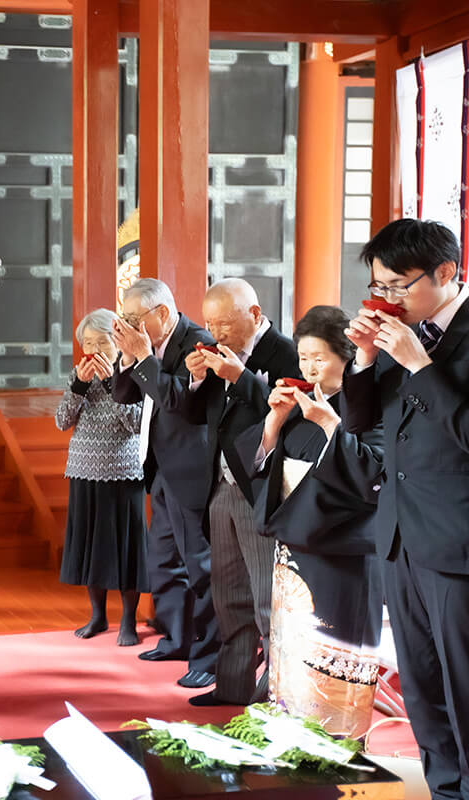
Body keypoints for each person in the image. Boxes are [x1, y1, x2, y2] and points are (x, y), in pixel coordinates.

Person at [335, 219, 469, 798]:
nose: (387, 297)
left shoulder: (428, 342)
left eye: (397, 285)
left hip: (457, 540)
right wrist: (364, 358)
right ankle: (444, 791)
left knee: (464, 687)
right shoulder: (402, 331)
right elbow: (360, 422)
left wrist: (421, 367)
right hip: (398, 536)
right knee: (422, 688)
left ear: (446, 272)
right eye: (379, 286)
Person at [236, 305, 384, 737]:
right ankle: (292, 736)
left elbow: (374, 475)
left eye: (320, 358)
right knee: (291, 647)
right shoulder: (300, 403)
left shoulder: (368, 406)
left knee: (333, 651)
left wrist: (333, 428)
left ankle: (337, 741)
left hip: (342, 551)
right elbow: (259, 465)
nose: (309, 368)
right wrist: (274, 420)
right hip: (294, 545)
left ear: (346, 357)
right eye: (303, 358)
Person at [173, 279, 301, 707]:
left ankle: (277, 692)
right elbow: (194, 416)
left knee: (266, 598)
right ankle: (232, 685)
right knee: (228, 595)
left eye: (224, 323)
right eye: (209, 324)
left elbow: (292, 415)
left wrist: (241, 378)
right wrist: (195, 380)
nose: (215, 333)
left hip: (260, 488)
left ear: (254, 313)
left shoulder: (285, 353)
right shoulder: (215, 351)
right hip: (221, 485)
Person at [111, 278, 220, 689]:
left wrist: (143, 356)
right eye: (125, 317)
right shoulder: (146, 343)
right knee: (163, 563)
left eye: (134, 317)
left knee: (201, 568)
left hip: (192, 472)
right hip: (159, 469)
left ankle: (210, 657)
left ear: (161, 312)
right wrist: (129, 357)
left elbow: (178, 402)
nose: (129, 325)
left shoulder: (198, 342)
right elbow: (123, 395)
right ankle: (179, 638)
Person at [54, 309, 146, 646]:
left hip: (124, 472)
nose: (95, 350)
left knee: (126, 550)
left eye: (102, 342)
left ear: (118, 342)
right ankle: (98, 616)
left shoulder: (133, 373)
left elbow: (136, 424)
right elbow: (62, 421)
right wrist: (78, 386)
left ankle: (129, 621)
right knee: (91, 547)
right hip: (83, 470)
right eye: (88, 343)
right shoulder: (78, 374)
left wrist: (111, 383)